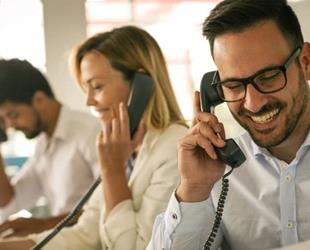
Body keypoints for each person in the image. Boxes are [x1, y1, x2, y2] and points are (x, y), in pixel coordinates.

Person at [0, 25, 188, 249]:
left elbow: (134, 246)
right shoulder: (121, 146)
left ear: (141, 84)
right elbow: (85, 234)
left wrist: (112, 171)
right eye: (86, 89)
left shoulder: (174, 149)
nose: (88, 101)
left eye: (97, 87)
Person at [147, 0, 310, 249]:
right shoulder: (218, 169)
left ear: (306, 62)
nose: (253, 104)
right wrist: (194, 190)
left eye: (268, 77)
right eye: (233, 86)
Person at [0, 59, 100, 237]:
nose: (10, 126)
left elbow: (109, 206)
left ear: (39, 99)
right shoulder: (44, 145)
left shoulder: (90, 132)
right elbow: (9, 202)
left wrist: (44, 225)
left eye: (13, 115)